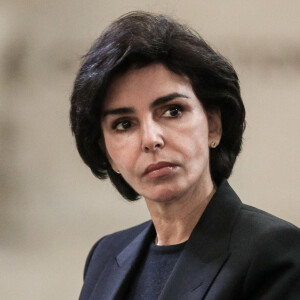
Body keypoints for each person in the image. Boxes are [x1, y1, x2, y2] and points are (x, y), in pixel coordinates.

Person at [70, 11, 300, 300]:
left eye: (173, 111)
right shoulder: (105, 255)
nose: (151, 139)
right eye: (124, 124)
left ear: (213, 125)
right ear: (108, 154)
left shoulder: (273, 251)